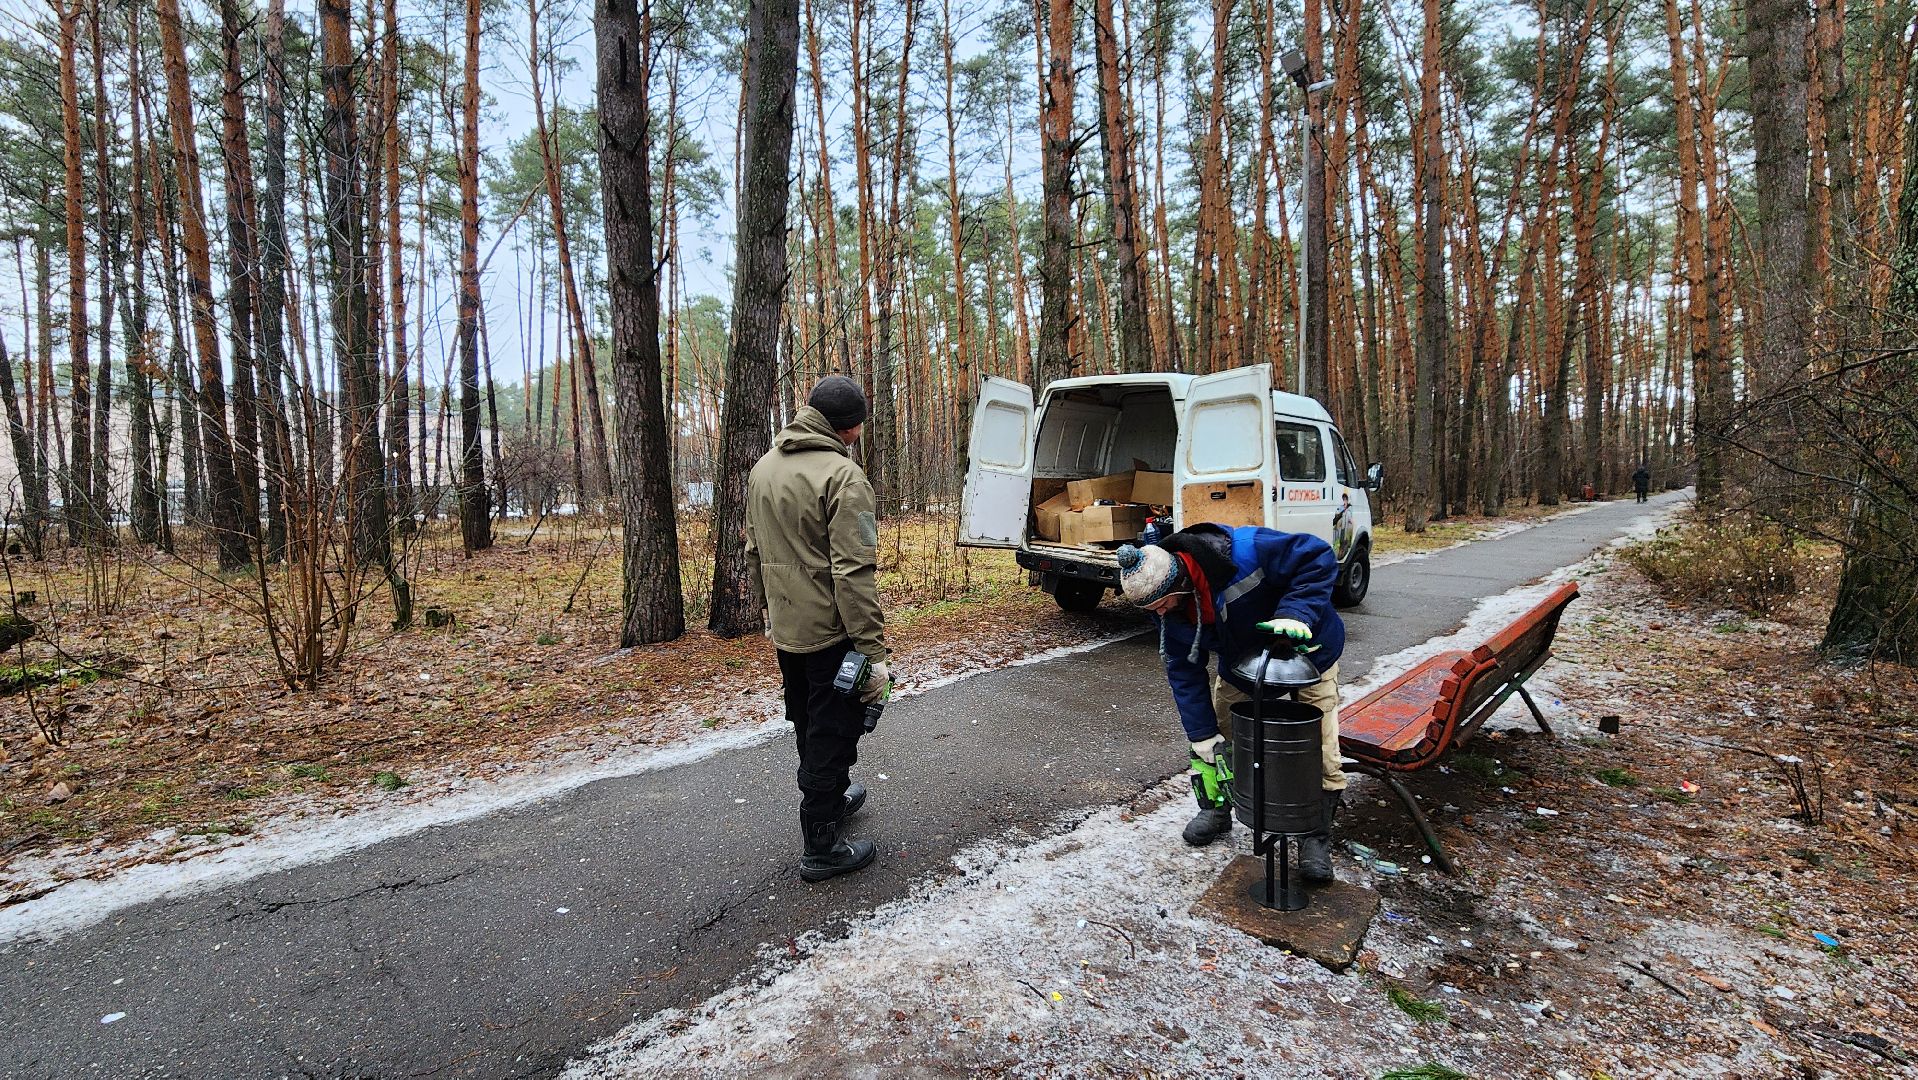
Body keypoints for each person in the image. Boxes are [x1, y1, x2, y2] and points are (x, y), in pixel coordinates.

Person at [1116, 524, 1347, 881]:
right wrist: (1202, 735)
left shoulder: (1246, 550)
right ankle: (1217, 807)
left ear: (1180, 584)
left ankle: (1314, 836)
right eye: (1151, 609)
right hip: (1244, 664)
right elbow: (1184, 672)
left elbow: (1318, 556)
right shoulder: (1168, 609)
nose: (1158, 613)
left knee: (1319, 748)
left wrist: (1295, 613)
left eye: (1159, 605)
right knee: (1219, 735)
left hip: (1308, 653)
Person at [745, 375, 892, 883]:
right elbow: (854, 573)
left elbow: (753, 554)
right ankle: (822, 846)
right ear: (850, 429)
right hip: (832, 634)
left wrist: (772, 613)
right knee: (833, 730)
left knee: (810, 722)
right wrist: (873, 650)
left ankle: (833, 796)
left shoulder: (763, 469)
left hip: (788, 631)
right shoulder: (843, 476)